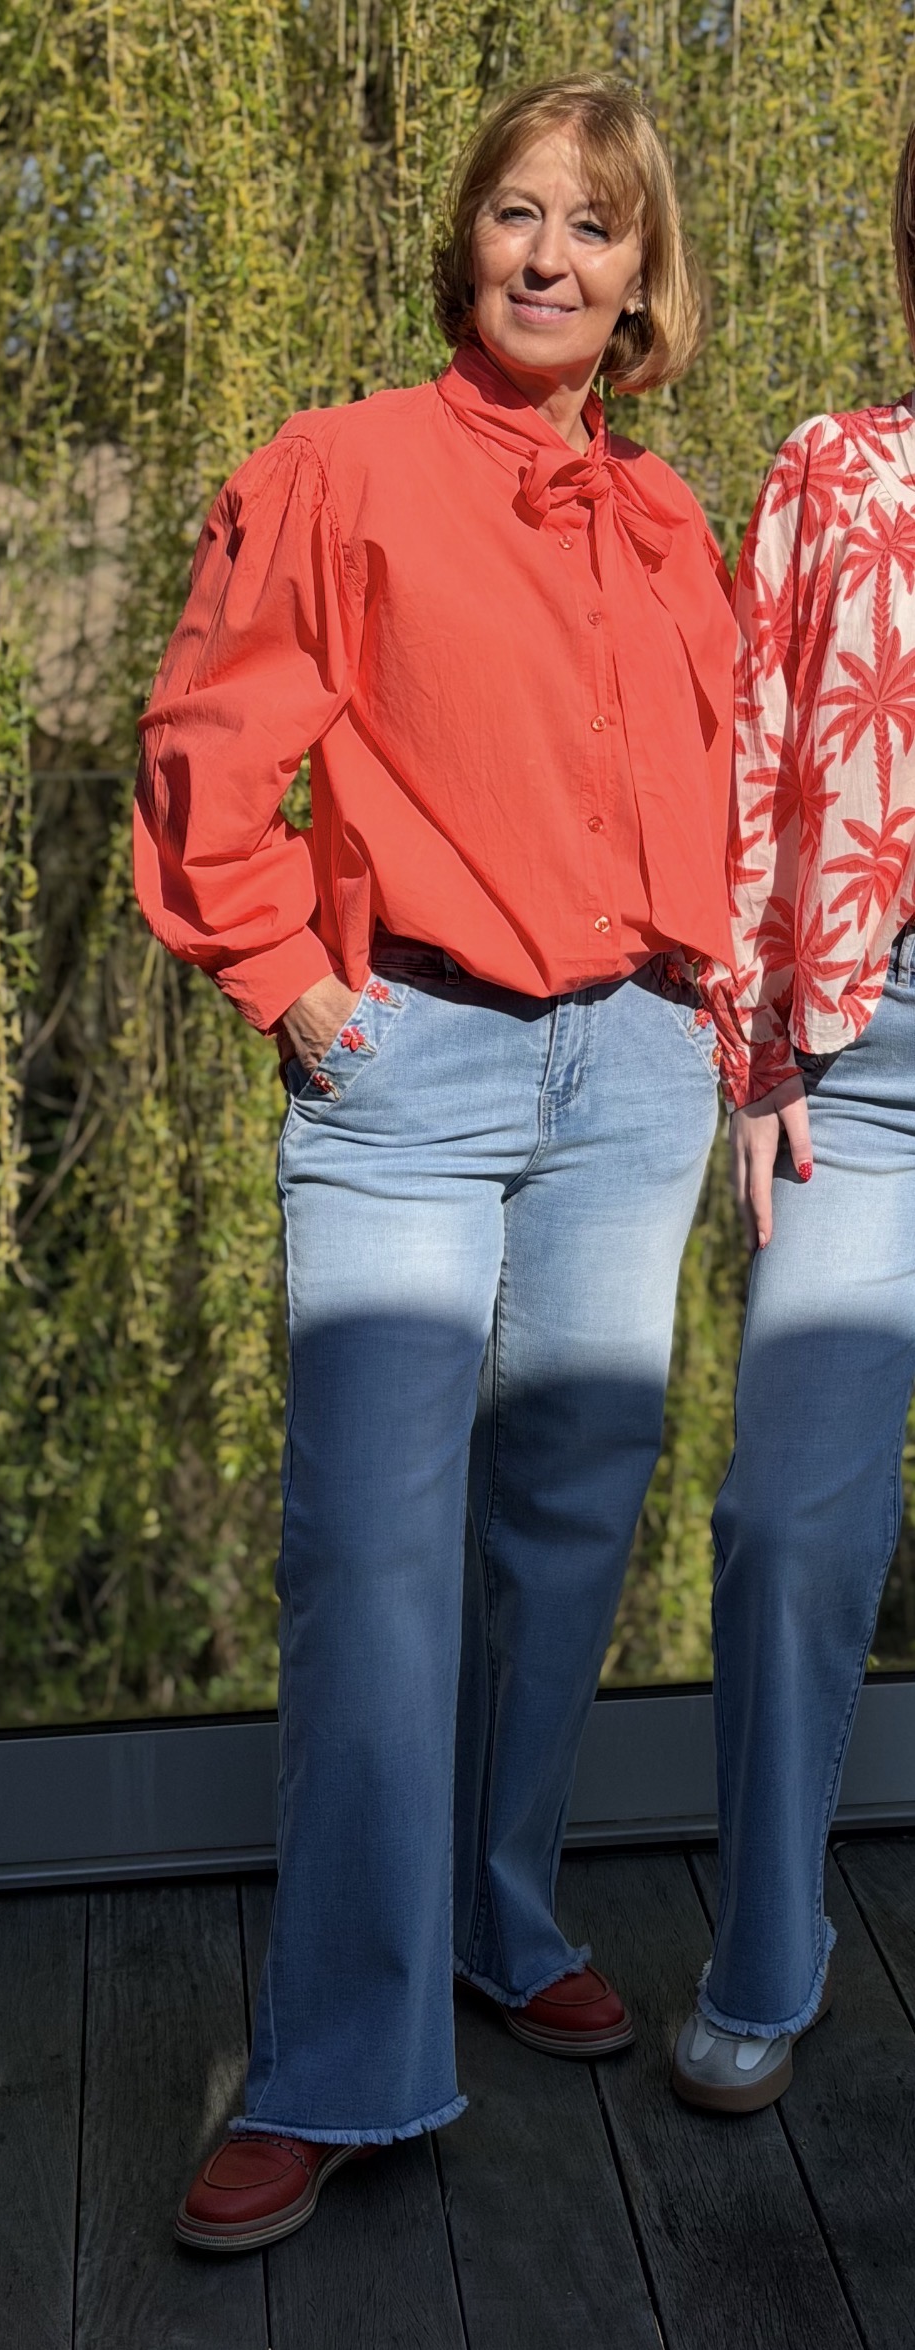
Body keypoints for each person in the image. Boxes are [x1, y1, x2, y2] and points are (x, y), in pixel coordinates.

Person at [135, 74, 735, 2248]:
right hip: (413, 1066)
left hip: (640, 1068)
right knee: (374, 1566)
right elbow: (210, 733)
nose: (549, 253)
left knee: (564, 1534)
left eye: (595, 227)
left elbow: (717, 800)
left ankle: (496, 1910)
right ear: (467, 240)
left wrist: (725, 1040)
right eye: (515, 211)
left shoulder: (671, 523)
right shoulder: (343, 468)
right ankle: (337, 2062)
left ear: (645, 281)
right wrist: (288, 978)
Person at [673, 124, 915, 2114]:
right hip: (876, 1070)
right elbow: (760, 752)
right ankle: (769, 1946)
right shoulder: (840, 466)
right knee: (782, 1515)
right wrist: (755, 1049)